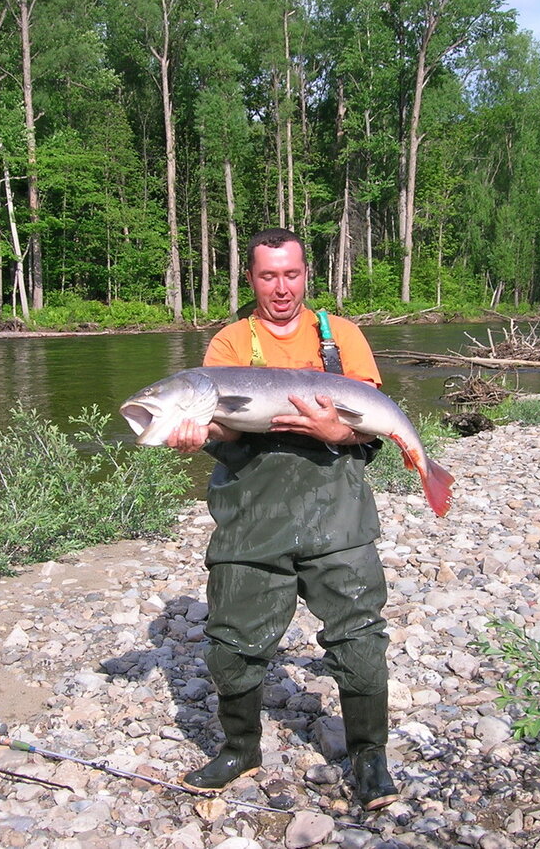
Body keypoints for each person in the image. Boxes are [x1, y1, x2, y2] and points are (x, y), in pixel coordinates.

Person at [166, 227, 400, 811]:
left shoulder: (341, 338)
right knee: (231, 644)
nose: (280, 288)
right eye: (267, 276)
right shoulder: (227, 345)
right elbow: (220, 426)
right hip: (251, 516)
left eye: (290, 274)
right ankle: (240, 747)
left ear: (305, 275)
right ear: (251, 278)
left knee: (360, 638)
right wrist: (197, 434)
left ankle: (370, 757)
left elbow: (373, 422)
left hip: (338, 516)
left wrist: (338, 432)